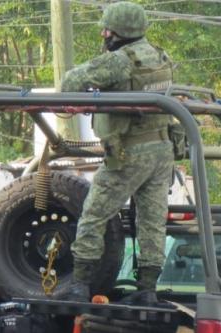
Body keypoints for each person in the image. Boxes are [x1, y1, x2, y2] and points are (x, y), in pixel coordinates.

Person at [60, 1, 174, 304]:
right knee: (151, 222)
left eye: (107, 29)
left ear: (119, 31)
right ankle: (147, 289)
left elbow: (70, 81)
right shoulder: (161, 56)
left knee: (94, 214)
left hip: (129, 153)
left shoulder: (120, 61)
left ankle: (80, 284)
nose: (103, 34)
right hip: (162, 150)